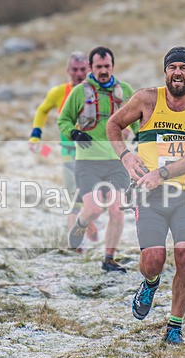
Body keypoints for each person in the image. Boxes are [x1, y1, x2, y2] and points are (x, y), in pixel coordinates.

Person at [106, 47, 185, 345]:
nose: (177, 72)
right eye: (172, 67)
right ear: (165, 72)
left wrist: (163, 174)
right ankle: (150, 283)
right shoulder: (146, 100)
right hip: (149, 196)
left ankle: (175, 325)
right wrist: (126, 157)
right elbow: (113, 125)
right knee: (154, 260)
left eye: (184, 67)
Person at [58, 46, 137, 272]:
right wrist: (74, 133)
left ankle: (108, 259)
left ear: (113, 66)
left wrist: (140, 134)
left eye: (107, 66)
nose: (103, 71)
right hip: (88, 161)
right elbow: (63, 120)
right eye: (99, 67)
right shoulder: (79, 93)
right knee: (93, 209)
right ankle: (81, 224)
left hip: (117, 160)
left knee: (117, 209)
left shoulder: (126, 90)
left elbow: (139, 119)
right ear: (91, 68)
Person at [28, 52, 98, 243]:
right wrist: (36, 135)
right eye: (74, 70)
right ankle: (75, 246)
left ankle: (87, 220)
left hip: (95, 155)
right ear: (68, 71)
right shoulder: (59, 92)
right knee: (75, 199)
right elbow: (42, 110)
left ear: (89, 69)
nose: (79, 73)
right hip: (69, 153)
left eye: (83, 69)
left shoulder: (98, 92)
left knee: (97, 199)